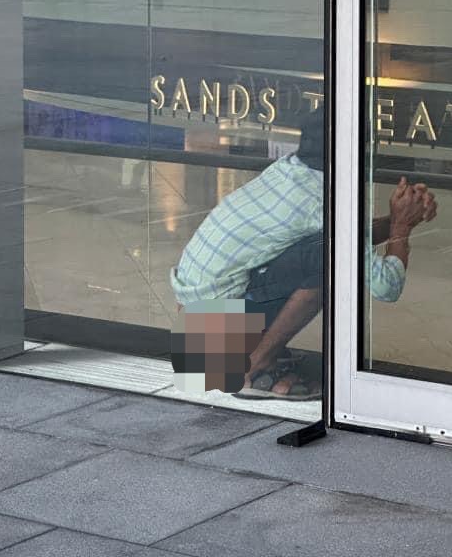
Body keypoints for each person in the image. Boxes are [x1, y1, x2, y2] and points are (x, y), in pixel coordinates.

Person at [170, 107, 437, 400]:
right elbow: (386, 286)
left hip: (194, 333)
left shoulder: (289, 170)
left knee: (325, 248)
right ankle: (254, 367)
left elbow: (346, 236)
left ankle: (252, 354)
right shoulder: (329, 199)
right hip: (211, 343)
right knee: (327, 260)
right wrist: (400, 226)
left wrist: (402, 218)